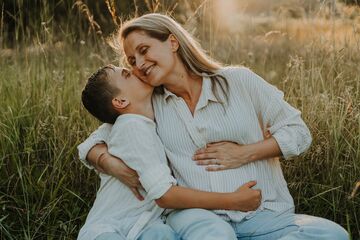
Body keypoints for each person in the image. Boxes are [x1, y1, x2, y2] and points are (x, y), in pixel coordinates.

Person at [78, 13, 349, 239]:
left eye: (144, 50)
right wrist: (110, 163)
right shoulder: (150, 104)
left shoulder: (239, 81)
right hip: (197, 218)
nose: (139, 64)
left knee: (333, 235)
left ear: (172, 42)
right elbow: (93, 142)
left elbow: (299, 133)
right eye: (131, 61)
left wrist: (246, 152)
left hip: (262, 214)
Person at [78, 64, 261, 240]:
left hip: (145, 225)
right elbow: (164, 194)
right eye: (127, 74)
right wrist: (233, 200)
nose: (135, 70)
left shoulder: (152, 110)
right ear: (121, 101)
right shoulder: (130, 125)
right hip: (109, 227)